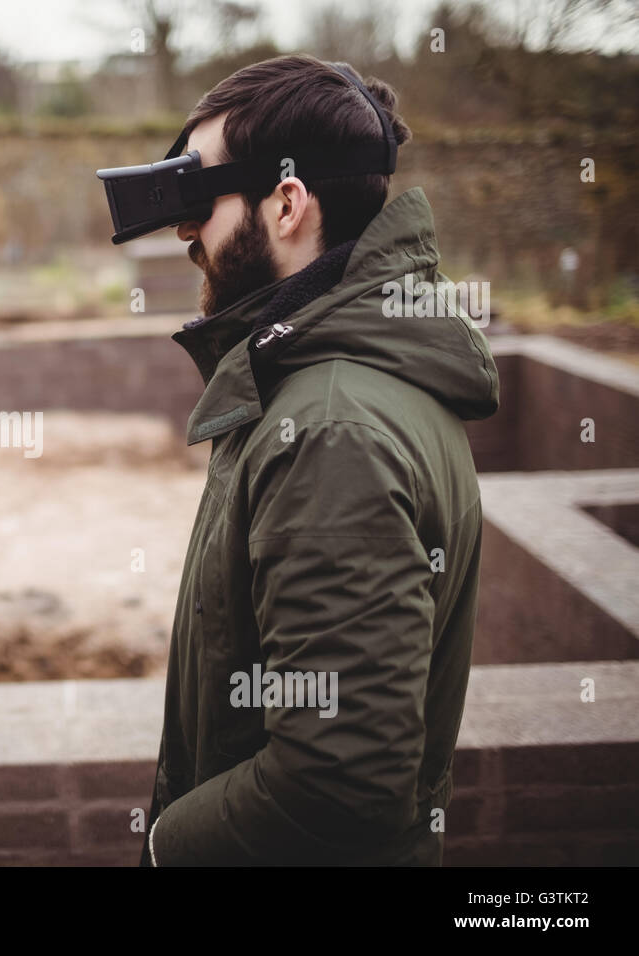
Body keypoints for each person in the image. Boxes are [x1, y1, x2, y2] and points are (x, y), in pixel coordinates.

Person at [140, 55, 500, 866]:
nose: (185, 229)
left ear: (288, 202)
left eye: (200, 197)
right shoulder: (330, 381)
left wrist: (170, 845)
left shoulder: (333, 430)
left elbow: (340, 785)